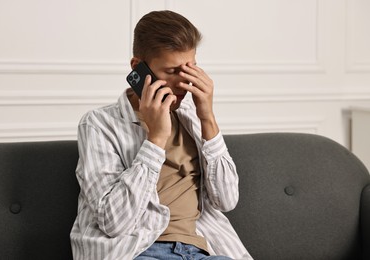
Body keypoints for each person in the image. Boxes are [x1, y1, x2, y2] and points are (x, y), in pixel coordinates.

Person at [70, 10, 252, 260]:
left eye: (191, 68)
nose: (183, 83)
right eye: (172, 71)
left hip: (199, 250)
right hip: (137, 251)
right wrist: (155, 139)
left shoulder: (192, 115)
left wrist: (207, 116)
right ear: (138, 68)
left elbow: (227, 201)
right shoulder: (100, 124)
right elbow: (113, 222)